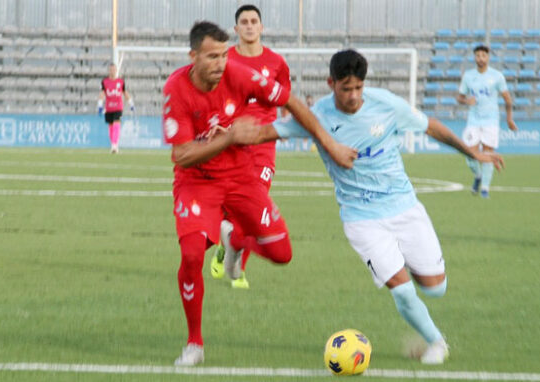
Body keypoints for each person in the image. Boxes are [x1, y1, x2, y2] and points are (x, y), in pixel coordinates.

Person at [249, 49, 504, 364]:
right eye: (346, 89)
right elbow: (265, 132)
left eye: (358, 88)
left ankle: (408, 265)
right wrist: (223, 135)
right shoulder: (316, 117)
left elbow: (431, 126)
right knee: (401, 289)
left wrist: (471, 153)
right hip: (361, 218)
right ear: (331, 83)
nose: (354, 96)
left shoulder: (386, 104)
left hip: (405, 208)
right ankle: (436, 342)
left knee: (435, 289)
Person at [163, 21, 356, 366]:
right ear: (193, 56)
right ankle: (194, 343)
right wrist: (228, 138)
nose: (220, 63)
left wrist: (331, 144)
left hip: (241, 177)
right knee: (192, 254)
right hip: (197, 182)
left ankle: (237, 240)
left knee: (282, 254)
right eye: (211, 56)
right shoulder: (176, 88)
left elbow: (291, 103)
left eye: (223, 54)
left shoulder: (240, 75)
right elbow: (181, 155)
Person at [209, 4, 292, 289]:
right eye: (243, 21)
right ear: (236, 29)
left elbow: (285, 102)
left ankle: (239, 269)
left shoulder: (277, 63)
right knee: (230, 208)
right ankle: (227, 245)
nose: (249, 25)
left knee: (255, 209)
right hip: (231, 140)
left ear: (261, 27)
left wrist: (288, 127)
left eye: (253, 21)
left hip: (263, 145)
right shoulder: (224, 60)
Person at [456, 45, 517, 198]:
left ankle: (484, 189)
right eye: (478, 56)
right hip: (473, 121)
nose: (481, 58)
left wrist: (509, 119)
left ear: (488, 57)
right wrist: (466, 101)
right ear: (474, 57)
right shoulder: (469, 76)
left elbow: (507, 99)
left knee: (488, 153)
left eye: (483, 55)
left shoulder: (497, 76)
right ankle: (478, 176)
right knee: (470, 155)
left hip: (491, 120)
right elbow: (459, 97)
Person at [97, 63, 134, 154]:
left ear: (116, 70)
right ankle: (113, 144)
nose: (112, 71)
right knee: (111, 126)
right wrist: (100, 104)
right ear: (109, 71)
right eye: (111, 70)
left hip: (118, 107)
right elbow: (102, 93)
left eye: (114, 70)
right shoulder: (104, 81)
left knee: (116, 122)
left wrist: (131, 103)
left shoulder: (121, 82)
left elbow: (125, 93)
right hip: (109, 107)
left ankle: (114, 145)